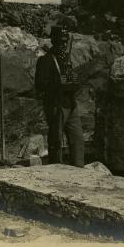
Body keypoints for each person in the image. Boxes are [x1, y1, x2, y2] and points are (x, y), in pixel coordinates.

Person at [34, 26, 84, 166]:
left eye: (65, 42)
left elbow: (72, 82)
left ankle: (79, 169)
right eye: (60, 42)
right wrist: (58, 82)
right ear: (53, 41)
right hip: (56, 105)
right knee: (56, 140)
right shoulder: (45, 60)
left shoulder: (66, 60)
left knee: (78, 139)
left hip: (71, 104)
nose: (63, 45)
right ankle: (56, 168)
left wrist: (74, 82)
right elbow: (40, 85)